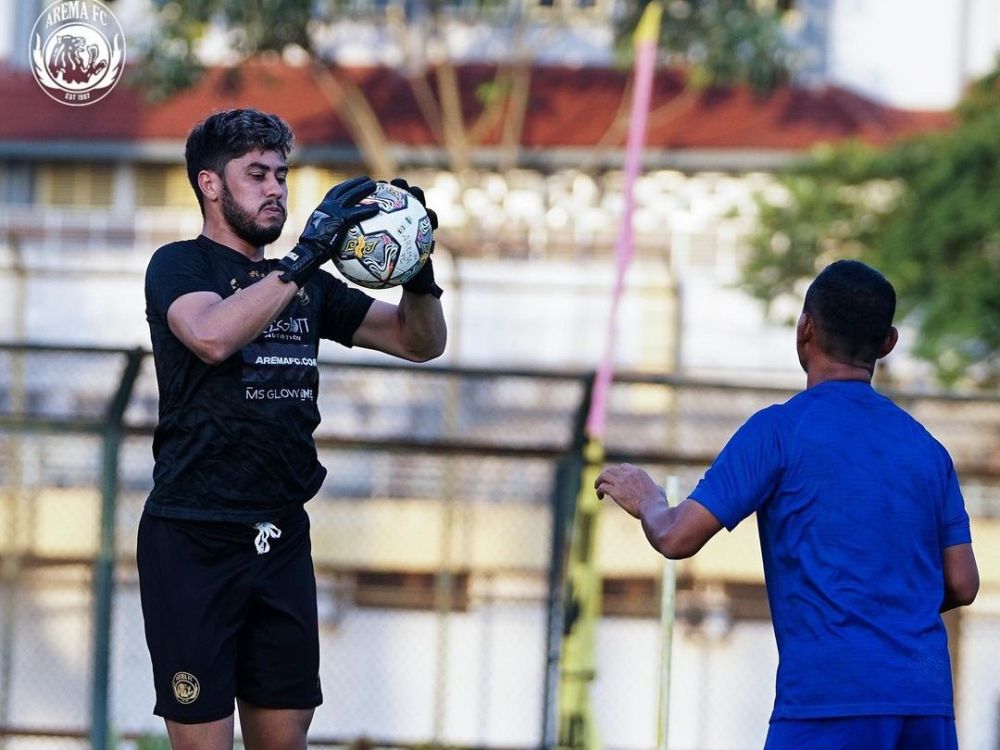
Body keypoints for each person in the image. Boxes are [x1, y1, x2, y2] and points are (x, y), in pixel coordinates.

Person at [138, 108, 447, 750]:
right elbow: (212, 336)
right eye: (257, 174)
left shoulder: (307, 289)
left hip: (280, 537)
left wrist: (419, 270)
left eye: (282, 174)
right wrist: (310, 253)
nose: (276, 188)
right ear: (210, 185)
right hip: (193, 539)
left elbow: (422, 342)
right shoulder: (179, 266)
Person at [594, 260, 979, 749]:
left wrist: (649, 499)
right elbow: (963, 583)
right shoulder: (927, 448)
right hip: (924, 704)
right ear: (887, 343)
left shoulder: (778, 432)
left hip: (828, 703)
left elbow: (675, 536)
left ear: (805, 329)